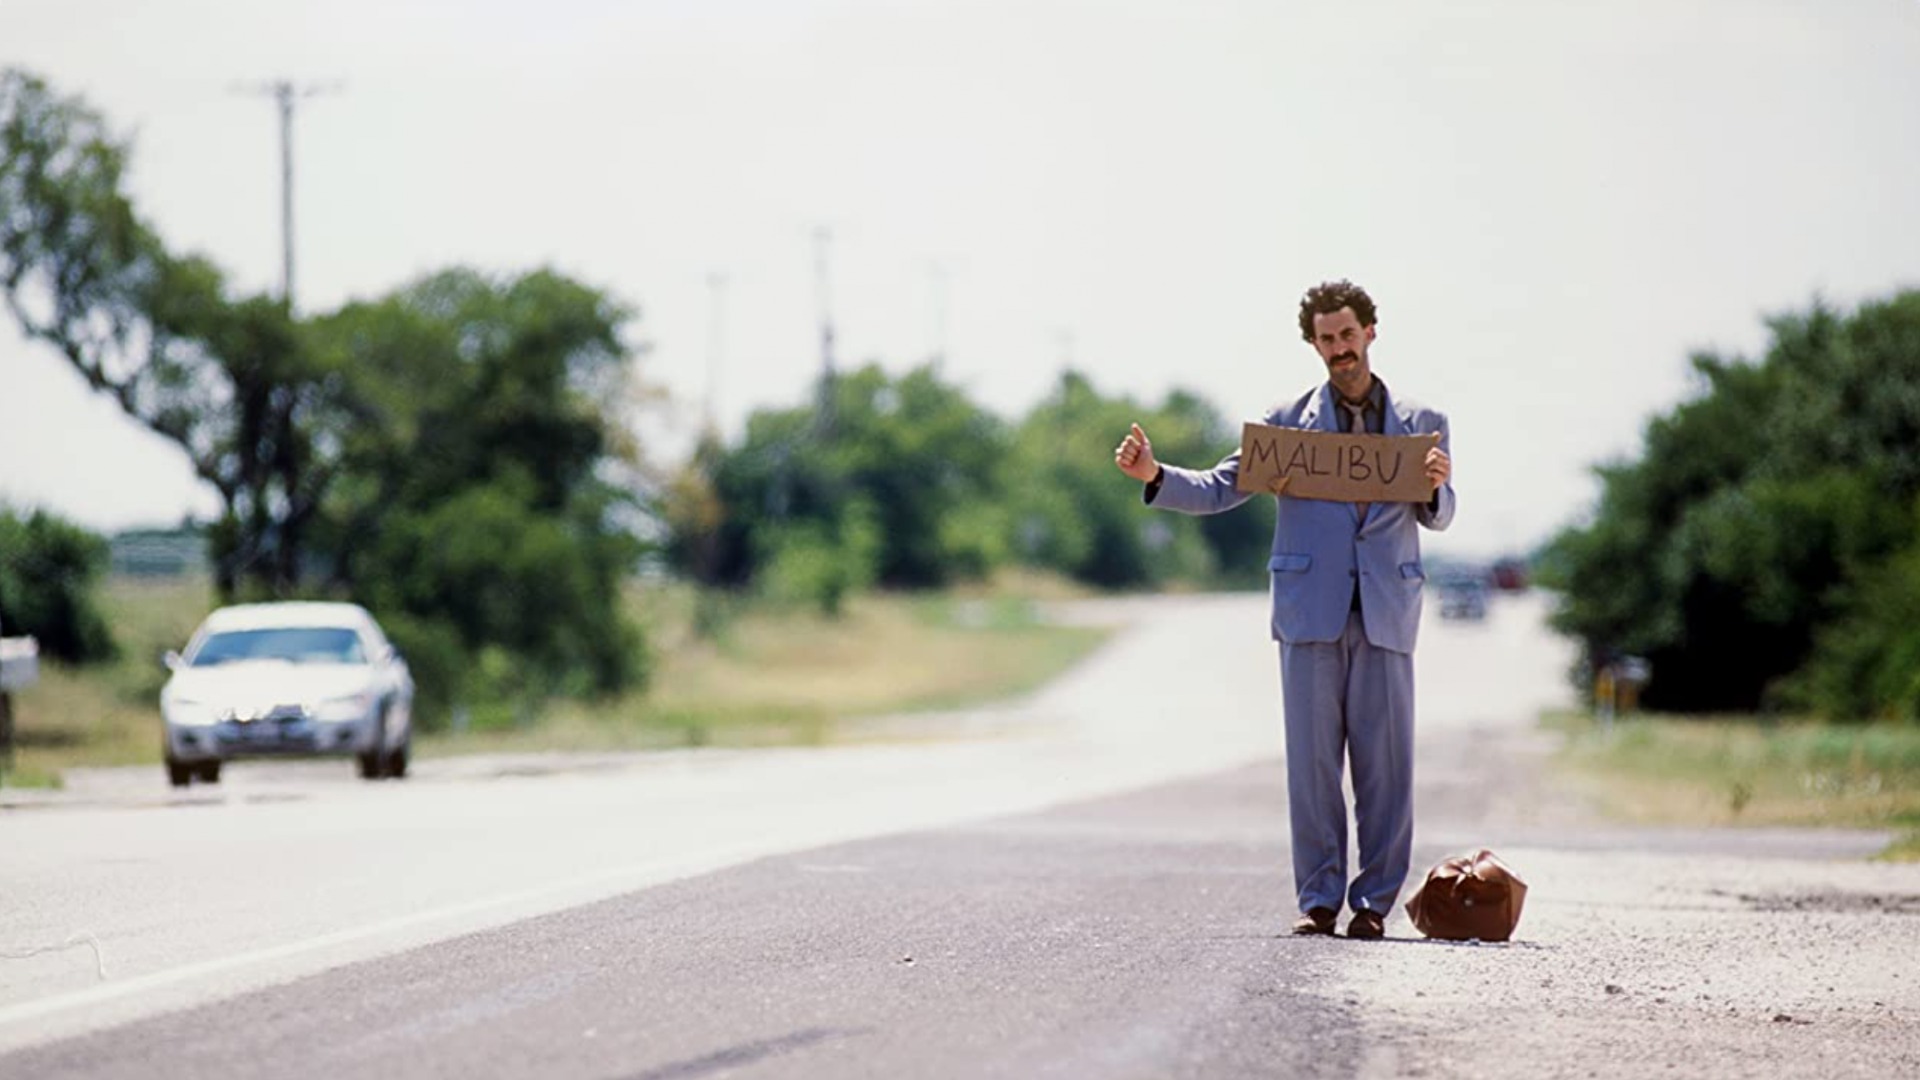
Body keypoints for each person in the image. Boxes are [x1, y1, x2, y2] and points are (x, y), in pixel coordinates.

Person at [1112, 279, 1454, 940]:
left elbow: (1440, 514)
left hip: (1386, 609)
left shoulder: (1423, 423)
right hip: (1308, 612)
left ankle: (1375, 904)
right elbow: (1219, 488)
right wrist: (1155, 475)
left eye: (1347, 335)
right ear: (1313, 344)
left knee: (1387, 766)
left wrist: (1437, 490)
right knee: (1311, 764)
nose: (1338, 350)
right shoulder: (1284, 425)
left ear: (1370, 333)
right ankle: (1320, 897)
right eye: (1326, 339)